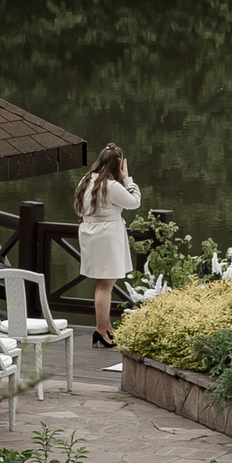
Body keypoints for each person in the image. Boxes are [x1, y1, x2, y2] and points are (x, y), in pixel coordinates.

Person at [75, 142, 141, 348]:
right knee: (105, 286)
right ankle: (100, 331)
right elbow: (134, 202)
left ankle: (107, 327)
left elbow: (79, 210)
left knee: (102, 285)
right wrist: (127, 178)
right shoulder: (111, 186)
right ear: (118, 166)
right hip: (106, 236)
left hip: (89, 234)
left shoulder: (85, 181)